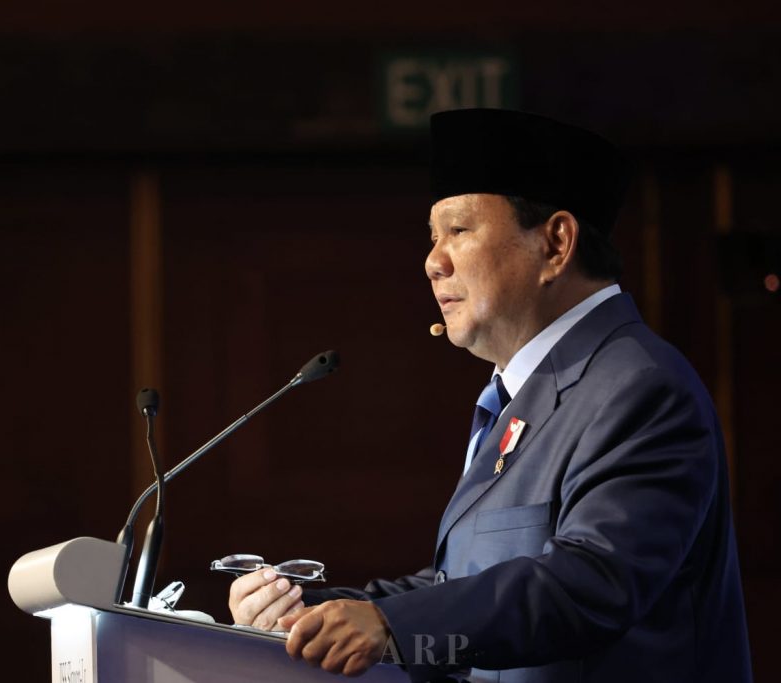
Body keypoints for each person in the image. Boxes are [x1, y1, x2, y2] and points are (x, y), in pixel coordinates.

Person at [226, 109, 753, 682]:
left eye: (458, 231)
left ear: (555, 243)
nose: (433, 262)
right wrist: (312, 616)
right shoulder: (516, 393)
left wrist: (392, 626)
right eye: (433, 237)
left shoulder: (640, 386)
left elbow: (591, 582)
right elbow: (464, 587)